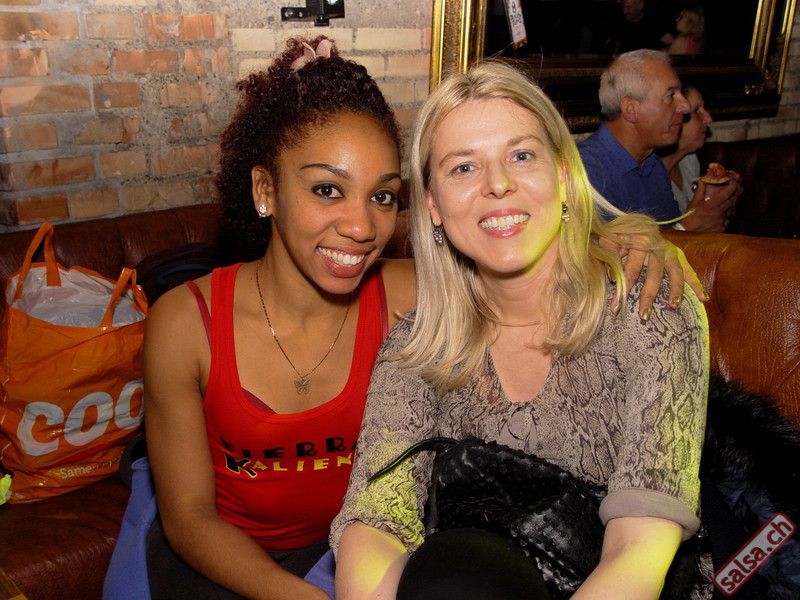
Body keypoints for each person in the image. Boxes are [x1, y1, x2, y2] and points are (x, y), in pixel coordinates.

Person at [331, 60, 709, 600]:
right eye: (464, 167)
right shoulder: (417, 348)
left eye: (522, 155)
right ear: (433, 205)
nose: (498, 184)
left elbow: (638, 550)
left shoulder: (649, 307)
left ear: (563, 174)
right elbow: (375, 522)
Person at [142, 36, 416, 600]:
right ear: (266, 190)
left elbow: (533, 281)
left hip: (355, 547)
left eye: (382, 197)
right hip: (224, 559)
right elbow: (189, 517)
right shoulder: (185, 324)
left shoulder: (408, 296)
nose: (362, 227)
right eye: (327, 189)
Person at [659, 86, 741, 231]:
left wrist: (720, 200)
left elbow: (704, 220)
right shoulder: (642, 173)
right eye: (696, 111)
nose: (708, 119)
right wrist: (686, 229)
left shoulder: (688, 159)